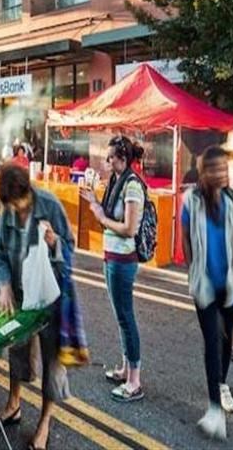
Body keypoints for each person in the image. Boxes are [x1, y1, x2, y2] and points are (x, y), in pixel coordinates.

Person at [181, 145, 233, 441]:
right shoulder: (191, 201)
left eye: (225, 168)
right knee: (212, 340)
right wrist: (192, 271)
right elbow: (186, 239)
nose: (222, 173)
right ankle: (214, 407)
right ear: (204, 172)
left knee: (228, 340)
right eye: (215, 169)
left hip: (231, 282)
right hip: (203, 284)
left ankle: (222, 383)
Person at [0, 164, 73, 450]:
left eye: (18, 205)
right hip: (21, 298)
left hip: (51, 299)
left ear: (28, 192)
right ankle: (14, 403)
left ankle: (45, 422)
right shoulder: (6, 214)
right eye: (10, 207)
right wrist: (3, 285)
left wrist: (55, 244)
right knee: (17, 350)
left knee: (52, 360)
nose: (15, 211)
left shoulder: (49, 204)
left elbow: (70, 247)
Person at [83, 136, 147, 402]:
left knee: (126, 317)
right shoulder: (115, 183)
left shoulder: (132, 186)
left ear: (122, 158)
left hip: (123, 260)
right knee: (121, 317)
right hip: (111, 256)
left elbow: (129, 228)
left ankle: (134, 381)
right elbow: (109, 219)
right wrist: (96, 203)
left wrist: (100, 215)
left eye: (110, 157)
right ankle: (125, 369)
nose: (107, 162)